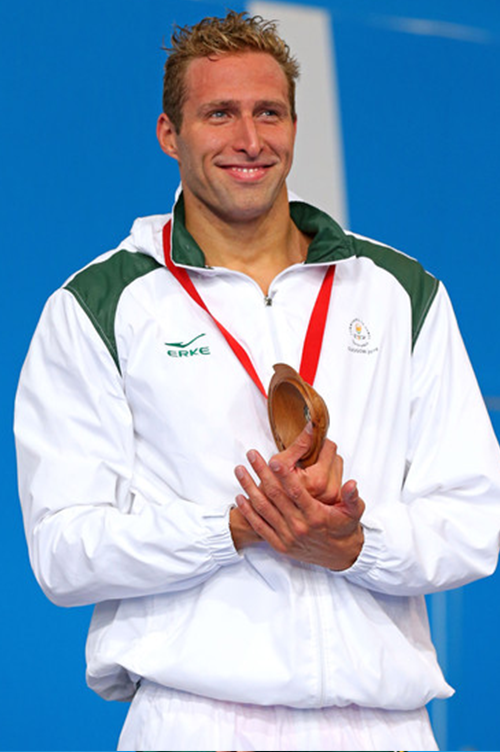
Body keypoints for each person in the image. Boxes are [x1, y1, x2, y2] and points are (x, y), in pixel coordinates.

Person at [14, 9, 500, 752]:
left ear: (295, 127)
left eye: (269, 113)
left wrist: (354, 543)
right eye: (220, 114)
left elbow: (474, 521)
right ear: (170, 134)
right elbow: (64, 550)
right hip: (196, 722)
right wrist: (233, 529)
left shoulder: (399, 292)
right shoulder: (100, 306)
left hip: (384, 728)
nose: (249, 140)